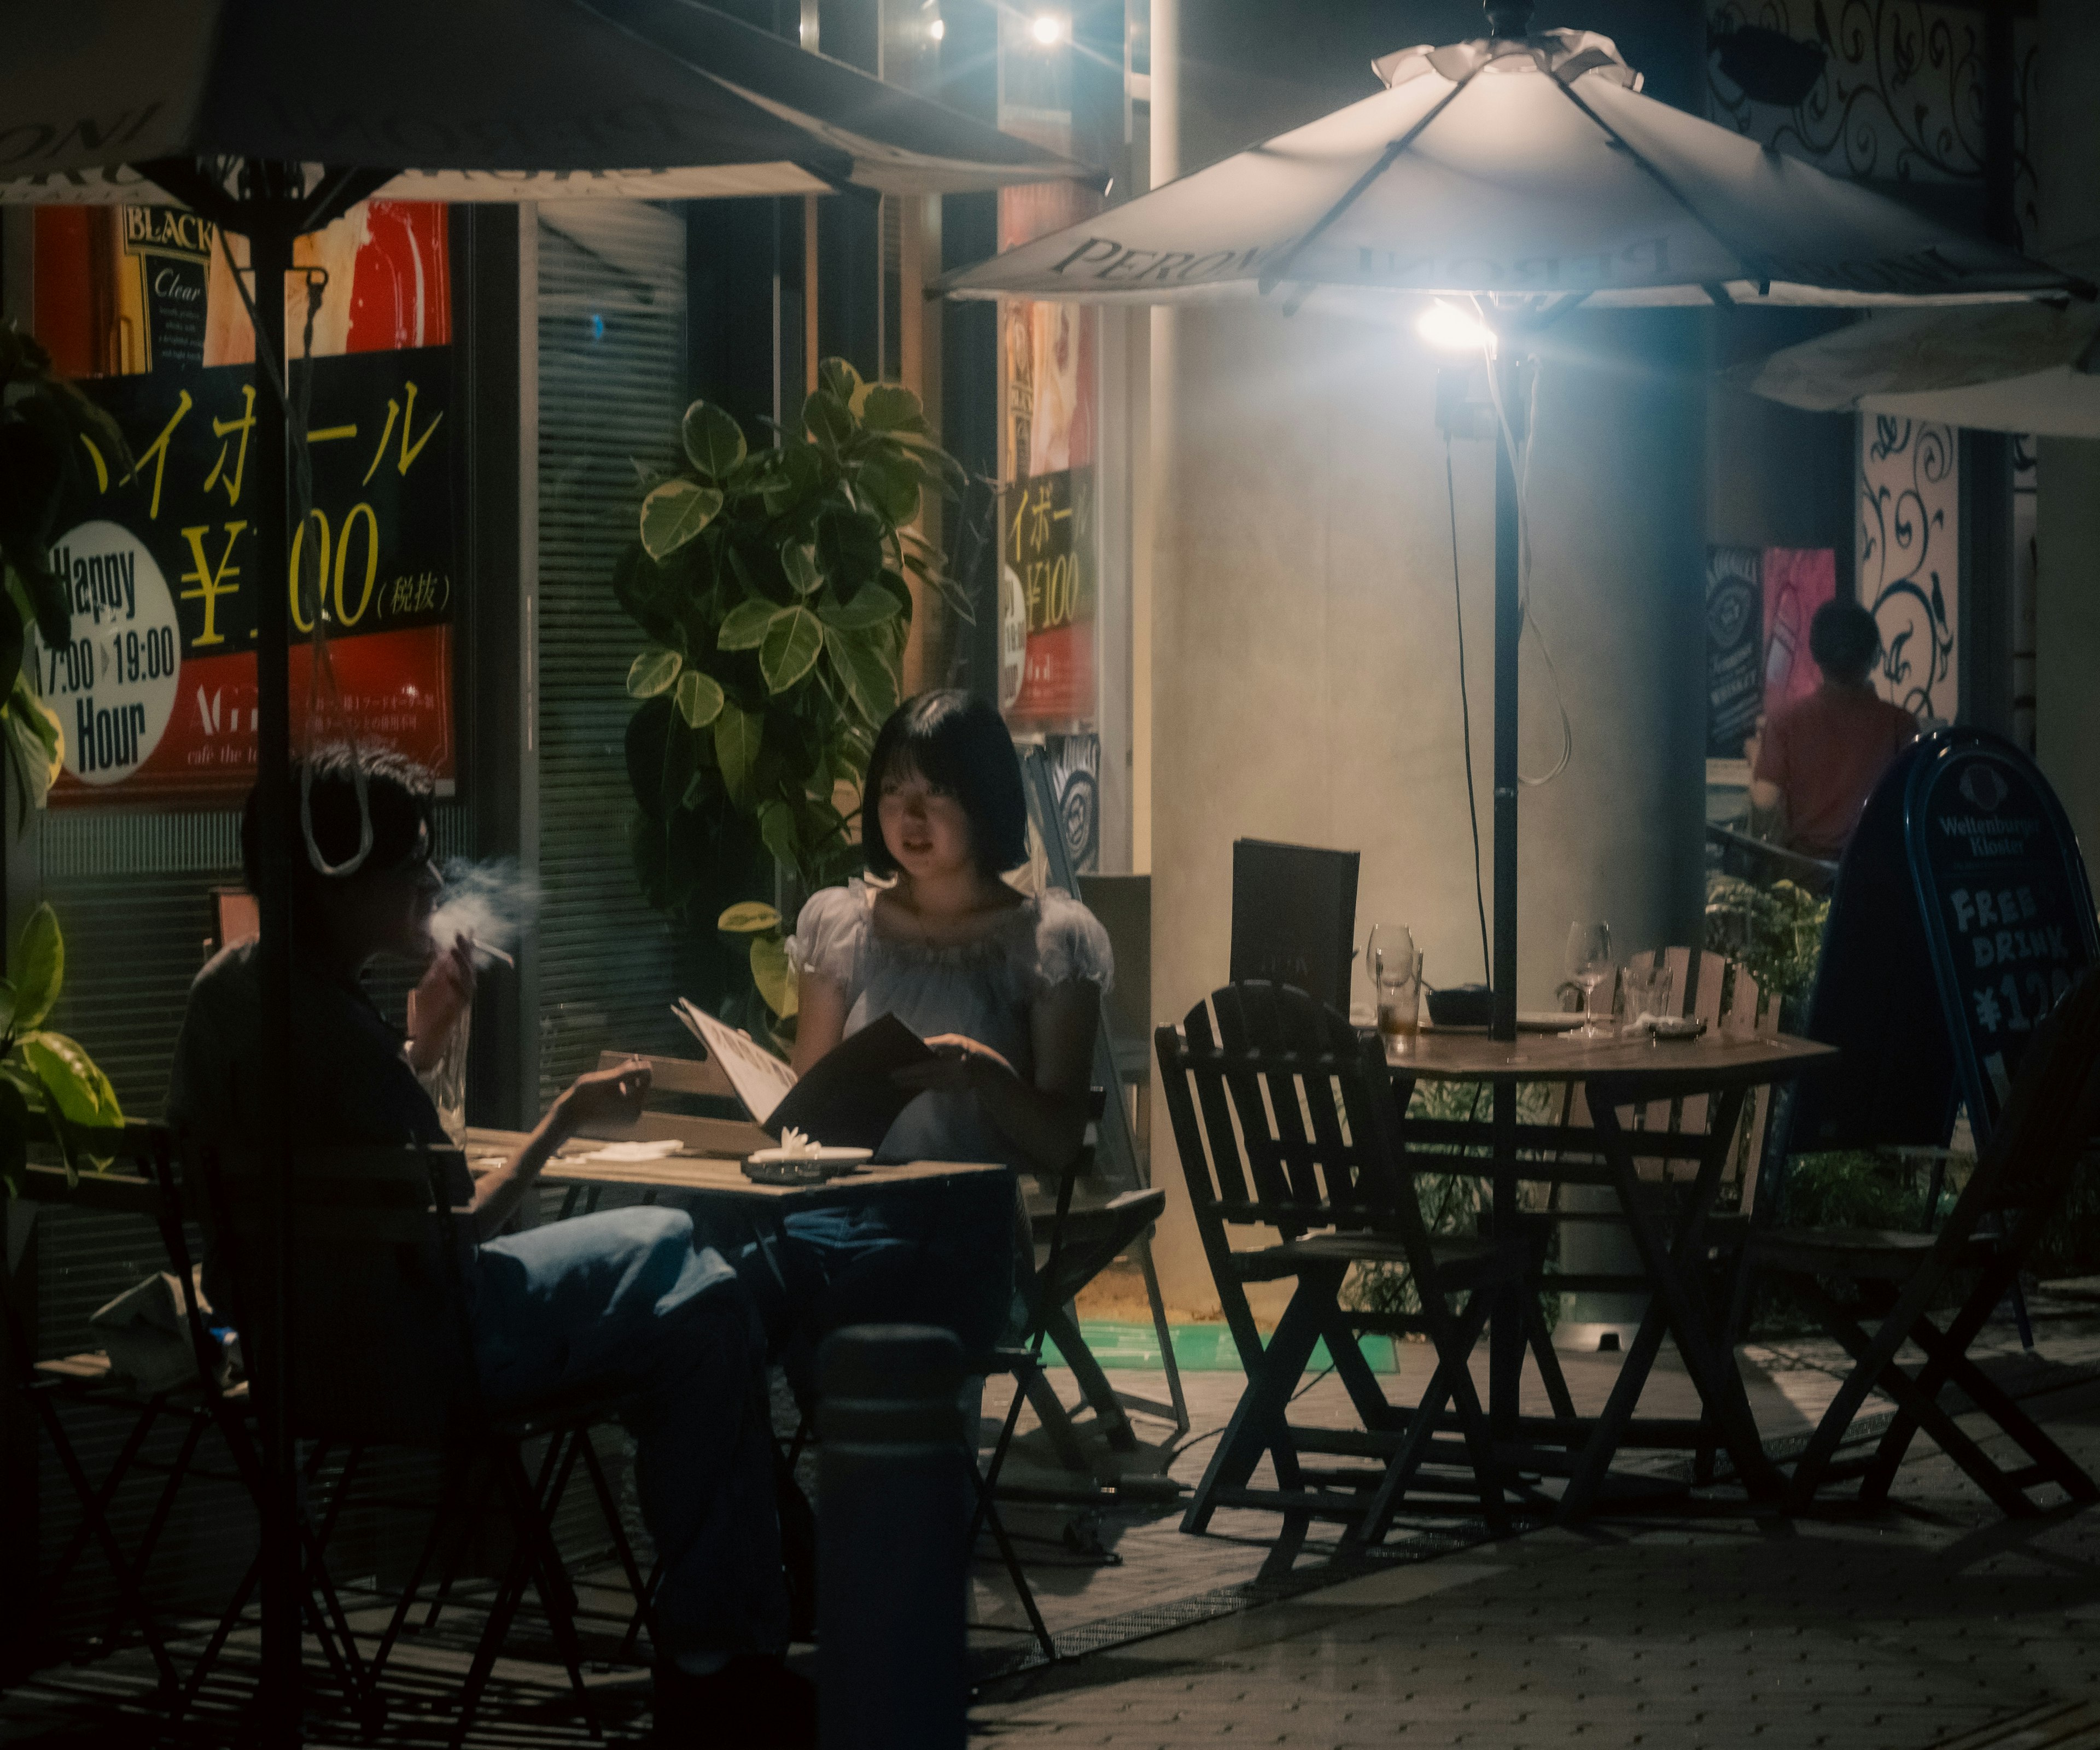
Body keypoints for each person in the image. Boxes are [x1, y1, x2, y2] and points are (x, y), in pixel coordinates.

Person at [165, 745, 810, 1748]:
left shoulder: (231, 994)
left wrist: (420, 1042)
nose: (432, 882)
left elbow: (355, 1155)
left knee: (688, 1278)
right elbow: (460, 1230)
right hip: (426, 1351)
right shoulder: (334, 1032)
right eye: (410, 864)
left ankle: (722, 1640)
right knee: (705, 1292)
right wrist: (565, 1119)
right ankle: (720, 1659)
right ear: (334, 880)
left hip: (294, 1357)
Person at [748, 692, 1113, 1386]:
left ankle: (878, 1482)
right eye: (892, 791)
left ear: (986, 797)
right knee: (724, 1285)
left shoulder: (1049, 942)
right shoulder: (843, 925)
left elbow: (1063, 1141)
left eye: (936, 792)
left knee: (848, 1305)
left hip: (962, 1228)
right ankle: (788, 1491)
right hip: (842, 1210)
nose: (909, 817)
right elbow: (809, 1110)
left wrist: (985, 1074)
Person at [1750, 600, 1920, 860]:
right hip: (1875, 873)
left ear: (1815, 654)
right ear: (1874, 655)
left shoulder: (1787, 721)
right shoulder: (1901, 724)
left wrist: (1755, 757)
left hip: (1806, 875)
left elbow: (1764, 800)